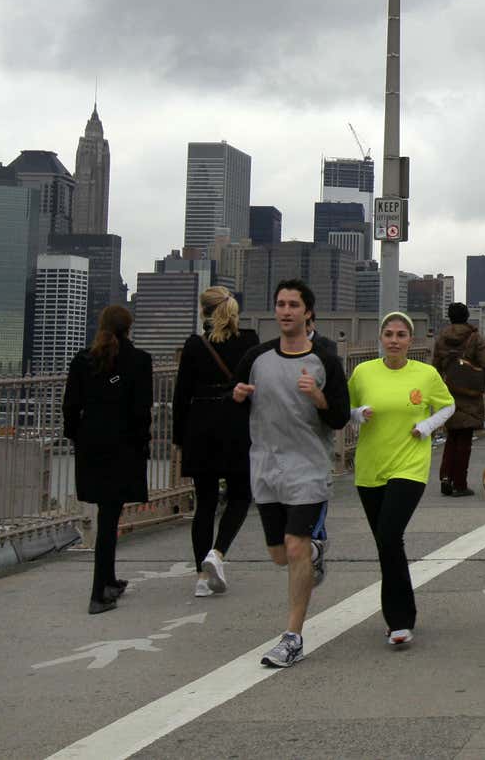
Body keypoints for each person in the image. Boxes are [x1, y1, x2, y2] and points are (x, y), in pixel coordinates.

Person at [232, 279, 351, 669]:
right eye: (280, 304)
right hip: (266, 467)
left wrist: (318, 398)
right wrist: (234, 398)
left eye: (294, 305)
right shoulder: (256, 357)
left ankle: (293, 636)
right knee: (280, 555)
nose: (285, 311)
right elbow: (233, 405)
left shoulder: (325, 361)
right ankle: (315, 552)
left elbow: (337, 419)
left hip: (308, 468)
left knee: (295, 545)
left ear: (308, 313)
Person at [348, 312, 455, 647]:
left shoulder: (425, 374)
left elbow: (447, 406)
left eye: (401, 335)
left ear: (411, 340)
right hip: (369, 467)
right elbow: (346, 409)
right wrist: (358, 414)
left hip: (409, 465)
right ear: (381, 338)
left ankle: (399, 620)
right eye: (389, 334)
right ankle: (401, 612)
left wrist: (425, 427)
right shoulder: (363, 372)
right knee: (386, 543)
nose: (394, 340)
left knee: (389, 534)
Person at [171, 286, 260, 599]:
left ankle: (200, 576)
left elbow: (180, 396)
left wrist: (179, 437)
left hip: (200, 425)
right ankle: (217, 553)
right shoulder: (249, 341)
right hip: (236, 424)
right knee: (239, 495)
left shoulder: (195, 345)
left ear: (203, 311)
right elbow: (256, 387)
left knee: (205, 502)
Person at [62, 305, 152, 615]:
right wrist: (142, 445)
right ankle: (98, 593)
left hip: (91, 446)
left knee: (106, 513)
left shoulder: (83, 359)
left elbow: (70, 406)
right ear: (129, 328)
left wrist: (78, 436)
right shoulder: (139, 361)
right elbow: (142, 411)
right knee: (109, 518)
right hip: (123, 446)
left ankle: (109, 580)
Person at [432, 302, 485, 497]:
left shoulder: (441, 338)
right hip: (469, 396)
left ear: (449, 317)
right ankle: (460, 483)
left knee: (451, 437)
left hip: (447, 393)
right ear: (467, 316)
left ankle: (445, 478)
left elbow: (435, 367)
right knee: (464, 441)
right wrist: (476, 381)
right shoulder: (474, 337)